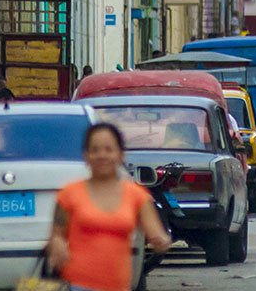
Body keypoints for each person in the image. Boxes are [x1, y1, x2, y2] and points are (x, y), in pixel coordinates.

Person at [49, 124, 173, 291]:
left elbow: (157, 235)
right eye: (95, 150)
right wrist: (57, 246)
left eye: (109, 149)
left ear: (121, 154)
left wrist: (162, 241)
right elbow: (56, 235)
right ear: (86, 155)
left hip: (118, 285)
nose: (102, 156)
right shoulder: (69, 194)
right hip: (78, 284)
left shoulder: (137, 196)